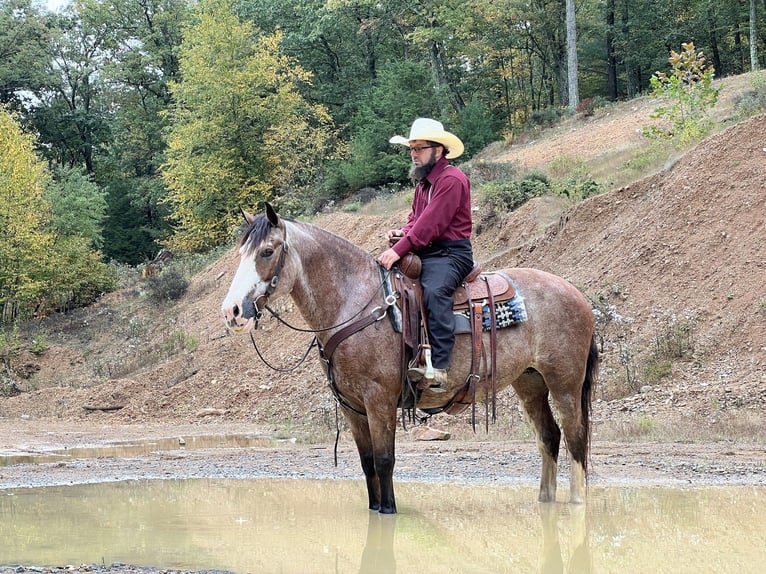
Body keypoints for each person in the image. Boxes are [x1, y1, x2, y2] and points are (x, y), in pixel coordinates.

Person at [378, 118, 474, 392]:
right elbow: (416, 220)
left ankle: (441, 367)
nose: (414, 154)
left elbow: (431, 224)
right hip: (427, 251)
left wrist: (397, 250)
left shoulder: (452, 180)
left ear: (439, 150)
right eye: (412, 148)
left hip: (451, 255)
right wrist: (401, 232)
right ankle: (415, 356)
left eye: (420, 148)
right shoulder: (423, 184)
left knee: (434, 291)